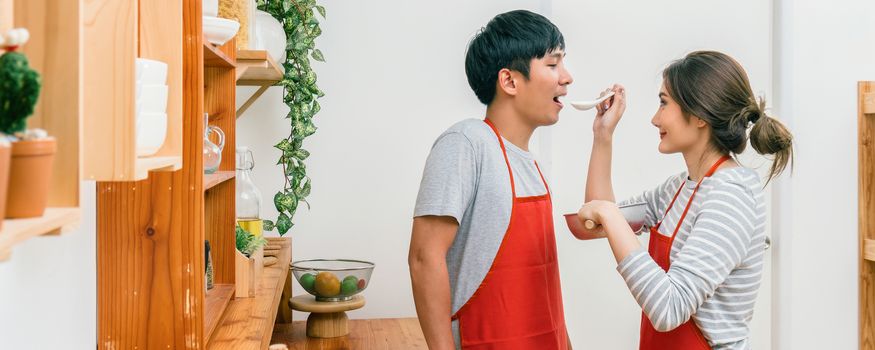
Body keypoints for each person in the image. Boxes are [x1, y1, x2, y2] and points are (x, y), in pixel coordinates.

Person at [576, 50, 793, 349]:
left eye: (664, 103)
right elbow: (595, 221)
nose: (655, 119)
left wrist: (610, 216)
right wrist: (603, 135)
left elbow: (669, 307)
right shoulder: (678, 188)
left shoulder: (732, 196)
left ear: (700, 115)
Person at [408, 9, 574, 350]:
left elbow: (545, 290)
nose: (567, 77)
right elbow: (424, 258)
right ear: (510, 81)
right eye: (553, 64)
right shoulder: (466, 144)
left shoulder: (532, 164)